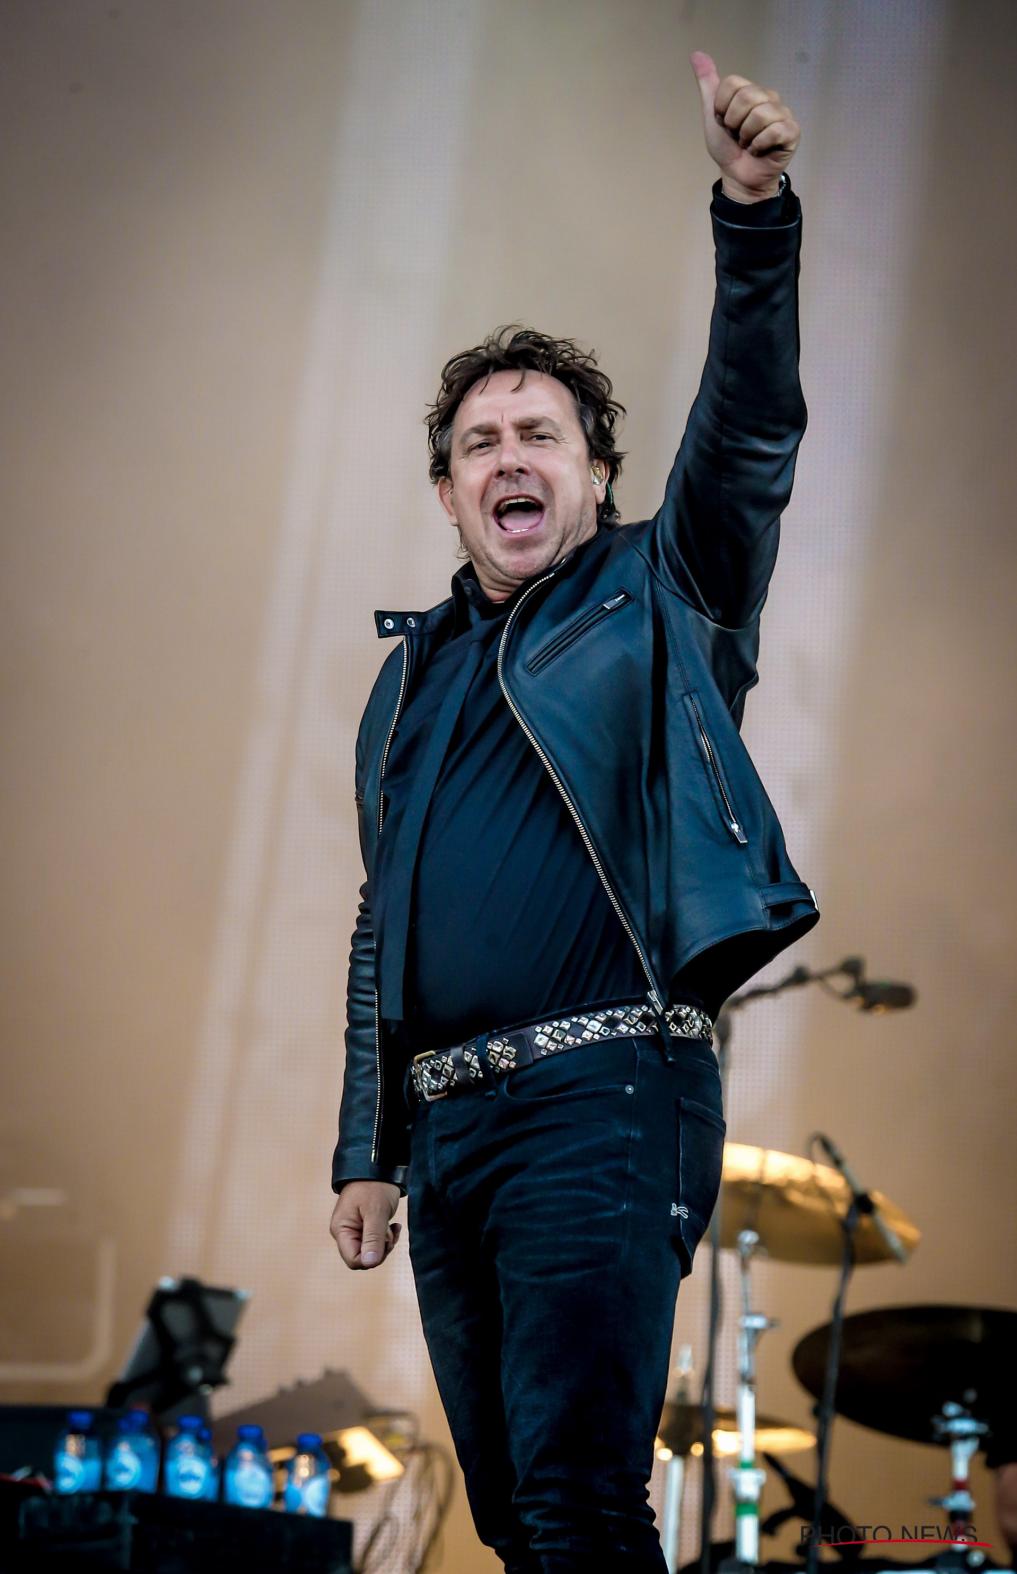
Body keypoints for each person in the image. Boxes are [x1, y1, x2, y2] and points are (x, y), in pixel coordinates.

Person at [329, 50, 818, 1573]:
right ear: (447, 494)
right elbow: (383, 926)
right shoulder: (405, 687)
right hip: (453, 1133)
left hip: (602, 1098)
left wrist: (754, 216)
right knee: (512, 1521)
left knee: (578, 1502)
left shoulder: (659, 594)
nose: (509, 459)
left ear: (598, 475)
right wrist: (366, 1148)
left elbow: (749, 433)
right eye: (480, 444)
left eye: (540, 435)